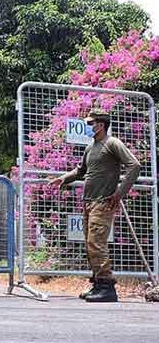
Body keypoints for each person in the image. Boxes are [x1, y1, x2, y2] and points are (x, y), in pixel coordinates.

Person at [49, 109, 140, 302]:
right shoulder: (91, 147)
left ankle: (107, 288)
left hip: (103, 202)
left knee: (97, 243)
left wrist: (120, 193)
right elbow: (81, 170)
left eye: (91, 123)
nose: (89, 126)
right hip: (89, 203)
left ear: (101, 124)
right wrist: (63, 178)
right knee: (91, 244)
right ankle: (98, 285)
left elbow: (134, 165)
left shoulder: (113, 143)